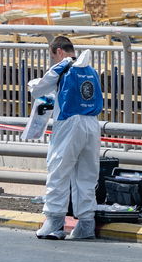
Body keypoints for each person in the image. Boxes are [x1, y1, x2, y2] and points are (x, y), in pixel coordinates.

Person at [29, 35, 103, 241]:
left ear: (59, 51)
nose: (53, 60)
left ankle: (54, 222)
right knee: (87, 175)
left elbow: (38, 90)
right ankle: (86, 224)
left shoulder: (62, 66)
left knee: (58, 170)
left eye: (53, 56)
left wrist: (32, 84)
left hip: (69, 123)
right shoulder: (90, 70)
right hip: (92, 124)